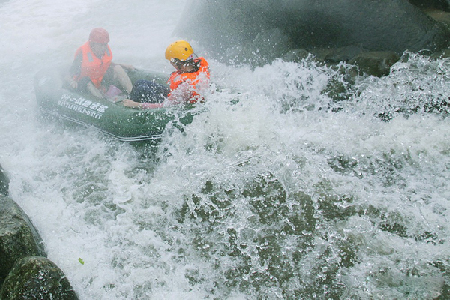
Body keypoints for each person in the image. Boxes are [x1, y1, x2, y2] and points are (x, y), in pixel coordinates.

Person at [123, 40, 210, 109]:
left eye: (172, 62)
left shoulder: (185, 85)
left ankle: (127, 104)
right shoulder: (196, 67)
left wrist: (137, 105)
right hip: (176, 97)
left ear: (178, 62)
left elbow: (166, 106)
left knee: (140, 90)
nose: (171, 64)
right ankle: (128, 98)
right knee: (141, 82)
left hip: (173, 103)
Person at [67, 28, 133, 101]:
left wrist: (123, 65)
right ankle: (104, 103)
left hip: (101, 82)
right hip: (87, 85)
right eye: (101, 45)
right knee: (86, 81)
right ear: (92, 44)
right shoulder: (82, 55)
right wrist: (72, 81)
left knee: (117, 68)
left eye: (105, 45)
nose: (104, 48)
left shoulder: (103, 52)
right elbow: (71, 73)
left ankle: (133, 94)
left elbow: (106, 63)